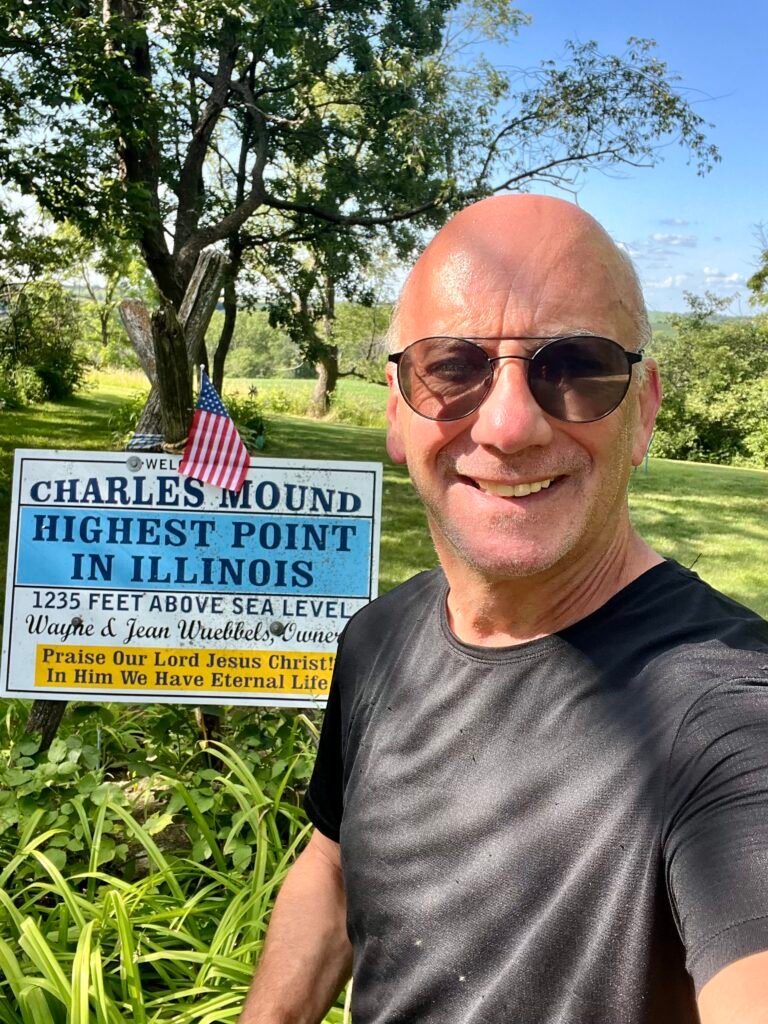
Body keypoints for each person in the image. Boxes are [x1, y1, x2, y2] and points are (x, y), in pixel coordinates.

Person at [238, 195, 768, 1023]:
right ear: (396, 410)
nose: (511, 424)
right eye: (452, 367)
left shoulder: (729, 710)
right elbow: (334, 866)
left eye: (575, 367)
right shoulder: (379, 641)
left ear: (644, 410)